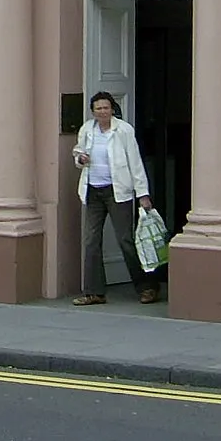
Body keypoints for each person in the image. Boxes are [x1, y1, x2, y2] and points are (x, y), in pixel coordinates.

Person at [69, 93, 159, 306]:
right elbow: (78, 153)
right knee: (91, 241)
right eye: (98, 109)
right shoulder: (87, 130)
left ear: (112, 109)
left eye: (106, 108)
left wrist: (143, 193)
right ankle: (94, 292)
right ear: (93, 111)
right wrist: (81, 159)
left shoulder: (124, 130)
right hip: (93, 191)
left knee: (125, 240)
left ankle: (147, 287)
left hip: (118, 192)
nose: (102, 112)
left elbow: (135, 162)